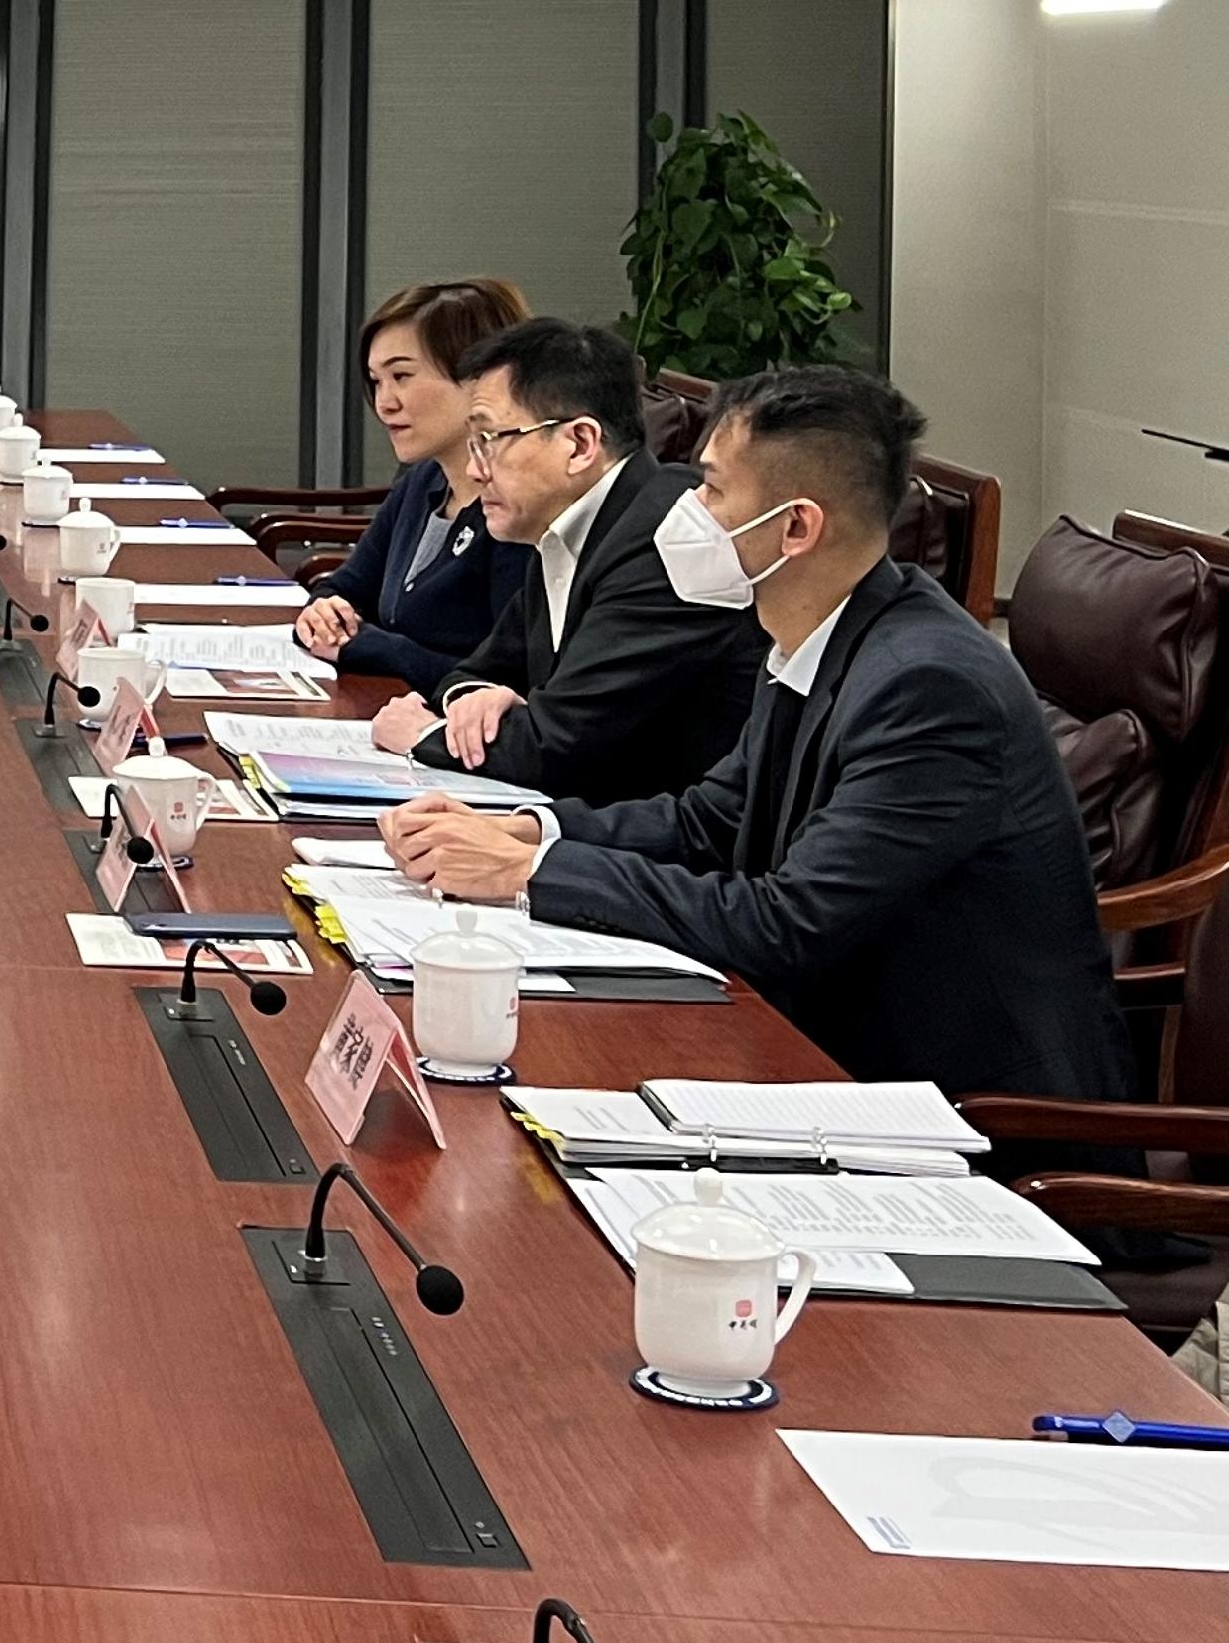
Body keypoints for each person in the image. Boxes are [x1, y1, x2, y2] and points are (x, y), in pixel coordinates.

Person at [383, 368, 1125, 1105]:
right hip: (826, 1052)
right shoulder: (815, 631)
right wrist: (525, 833)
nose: (684, 510)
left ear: (796, 526)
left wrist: (529, 876)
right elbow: (710, 819)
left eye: (709, 489)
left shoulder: (929, 685)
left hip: (971, 1117)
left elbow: (787, 923)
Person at [366, 316, 760, 806]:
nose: (473, 469)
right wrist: (471, 702)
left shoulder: (668, 542)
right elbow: (477, 671)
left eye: (490, 440)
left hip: (661, 849)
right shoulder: (572, 525)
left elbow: (561, 746)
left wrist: (428, 736)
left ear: (579, 445)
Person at [291, 278, 534, 696]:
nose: (384, 402)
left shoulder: (517, 511)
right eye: (376, 380)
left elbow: (506, 683)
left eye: (401, 376)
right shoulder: (424, 478)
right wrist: (323, 611)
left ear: (480, 378)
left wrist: (368, 647)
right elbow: (347, 585)